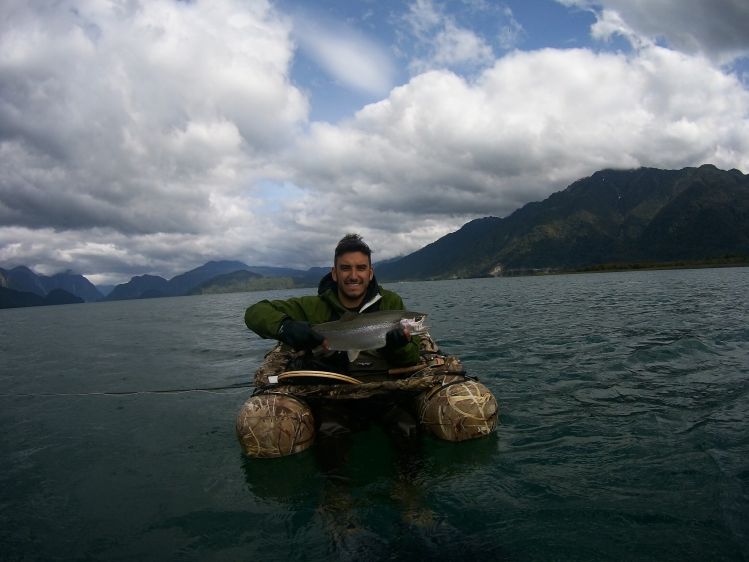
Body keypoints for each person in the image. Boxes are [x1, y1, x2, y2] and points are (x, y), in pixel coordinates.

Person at [244, 233, 420, 377]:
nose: (353, 275)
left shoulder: (391, 303)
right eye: (345, 268)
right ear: (334, 274)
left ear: (370, 273)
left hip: (383, 390)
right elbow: (254, 312)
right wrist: (285, 327)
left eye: (360, 268)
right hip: (326, 392)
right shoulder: (312, 306)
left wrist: (399, 347)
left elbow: (412, 358)